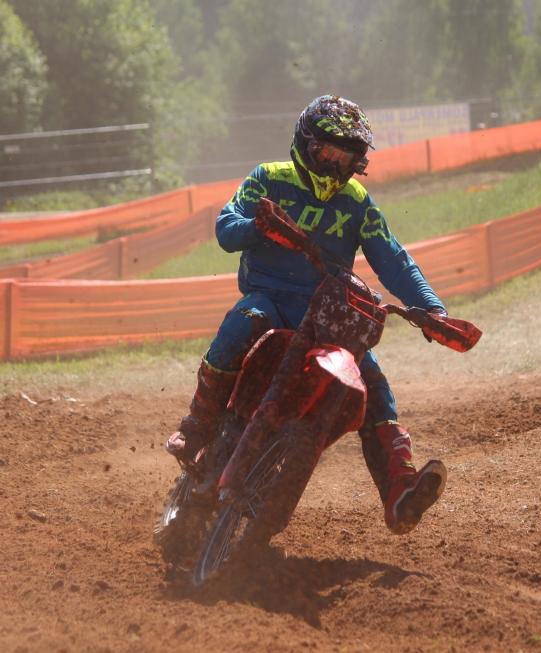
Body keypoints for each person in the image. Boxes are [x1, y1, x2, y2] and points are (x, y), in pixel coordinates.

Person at [165, 95, 449, 534]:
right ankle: (198, 425)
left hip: (329, 316)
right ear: (306, 143)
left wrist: (432, 308)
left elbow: (394, 259)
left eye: (346, 157)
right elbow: (225, 228)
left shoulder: (357, 202)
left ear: (358, 162)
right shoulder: (269, 178)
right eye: (328, 152)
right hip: (270, 300)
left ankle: (400, 491)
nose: (335, 164)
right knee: (241, 324)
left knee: (373, 384)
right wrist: (257, 226)